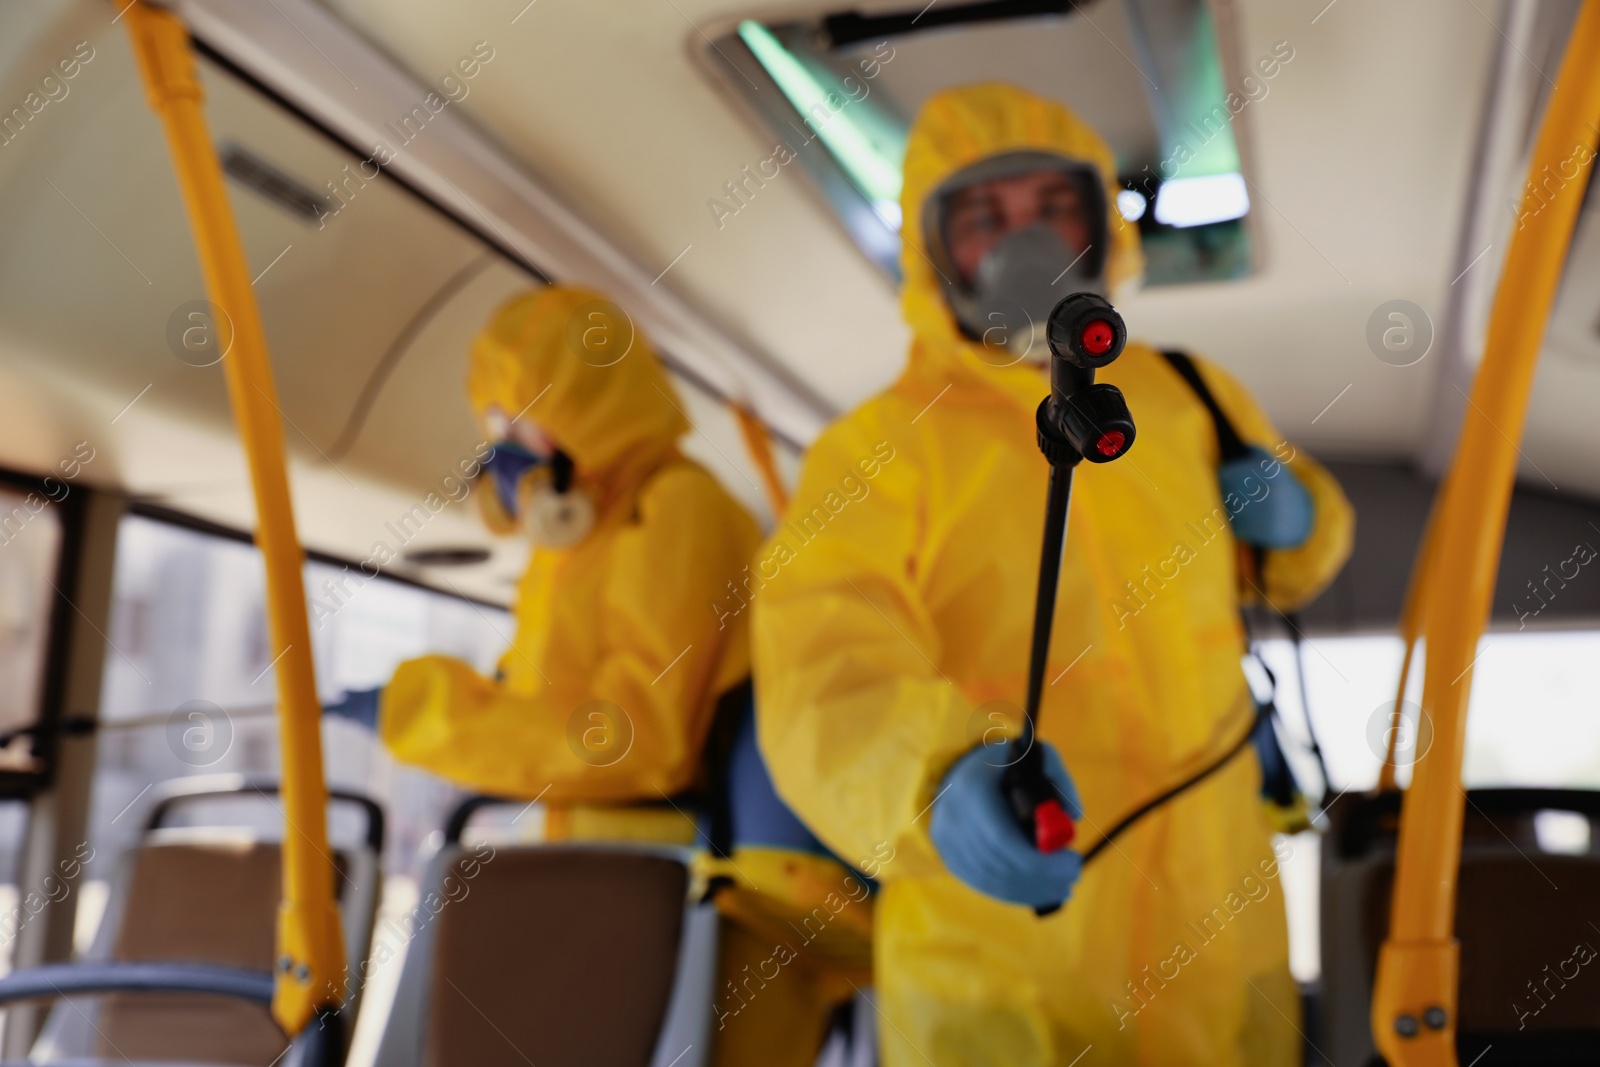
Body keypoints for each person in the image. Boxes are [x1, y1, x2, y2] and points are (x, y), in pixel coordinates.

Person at [751, 83, 1354, 1066]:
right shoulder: (874, 452)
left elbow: (1290, 563)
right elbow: (824, 669)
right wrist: (931, 778)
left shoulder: (1190, 395)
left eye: (1051, 209)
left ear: (1099, 221)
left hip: (1219, 928)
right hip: (1001, 963)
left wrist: (1298, 519)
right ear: (931, 249)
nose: (1022, 241)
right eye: (984, 216)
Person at [327, 284, 867, 1066]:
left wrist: (427, 713)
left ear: (588, 411)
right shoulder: (579, 545)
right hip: (623, 886)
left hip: (710, 899)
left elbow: (636, 737)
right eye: (494, 425)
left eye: (520, 419)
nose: (504, 447)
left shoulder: (676, 510)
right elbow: (551, 710)